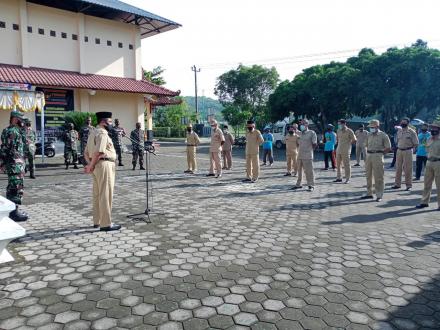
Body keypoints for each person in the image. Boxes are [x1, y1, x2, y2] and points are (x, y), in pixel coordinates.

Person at [84, 111, 121, 231]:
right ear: (103, 122)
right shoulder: (103, 133)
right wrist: (91, 165)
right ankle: (106, 224)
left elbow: (86, 153)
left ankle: (97, 221)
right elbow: (99, 152)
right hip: (104, 165)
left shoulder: (92, 132)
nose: (111, 124)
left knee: (97, 194)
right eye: (110, 122)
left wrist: (90, 164)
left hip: (96, 167)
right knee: (105, 194)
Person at [0, 111, 28, 222]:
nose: (23, 122)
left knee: (13, 187)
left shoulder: (13, 130)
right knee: (15, 188)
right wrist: (2, 163)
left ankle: (12, 211)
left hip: (16, 164)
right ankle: (13, 213)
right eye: (21, 120)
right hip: (15, 165)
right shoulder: (12, 131)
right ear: (15, 119)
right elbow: (6, 149)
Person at [360, 120, 391, 202]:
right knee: (368, 175)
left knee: (379, 176)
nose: (371, 129)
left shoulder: (383, 135)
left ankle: (379, 195)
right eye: (370, 127)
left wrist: (381, 154)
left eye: (372, 127)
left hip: (378, 155)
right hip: (369, 155)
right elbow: (365, 145)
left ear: (377, 127)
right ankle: (369, 193)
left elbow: (388, 147)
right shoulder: (368, 135)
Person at [416, 121, 440, 210]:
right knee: (427, 184)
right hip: (429, 162)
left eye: (435, 128)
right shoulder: (429, 138)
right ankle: (424, 202)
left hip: (438, 163)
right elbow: (426, 148)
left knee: (439, 184)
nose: (433, 129)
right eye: (432, 128)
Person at [392, 117, 419, 191]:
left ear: (408, 123)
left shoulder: (412, 132)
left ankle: (408, 185)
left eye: (404, 122)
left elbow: (416, 143)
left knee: (408, 169)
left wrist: (412, 150)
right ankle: (397, 184)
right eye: (402, 122)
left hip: (408, 151)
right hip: (399, 151)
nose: (403, 123)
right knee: (398, 168)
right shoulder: (399, 131)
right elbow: (397, 141)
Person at [291, 119, 317, 191]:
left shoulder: (312, 133)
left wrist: (310, 150)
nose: (301, 125)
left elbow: (314, 144)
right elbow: (296, 143)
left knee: (309, 171)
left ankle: (311, 185)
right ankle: (298, 184)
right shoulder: (299, 134)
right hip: (300, 155)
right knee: (299, 171)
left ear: (307, 124)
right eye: (301, 124)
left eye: (303, 124)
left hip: (308, 155)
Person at [334, 119, 356, 183]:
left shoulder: (349, 131)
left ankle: (347, 178)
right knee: (338, 165)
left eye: (340, 124)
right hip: (338, 150)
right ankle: (339, 178)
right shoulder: (338, 130)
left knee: (346, 164)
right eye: (338, 124)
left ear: (344, 124)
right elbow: (337, 139)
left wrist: (348, 145)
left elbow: (354, 140)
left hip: (346, 150)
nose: (339, 125)